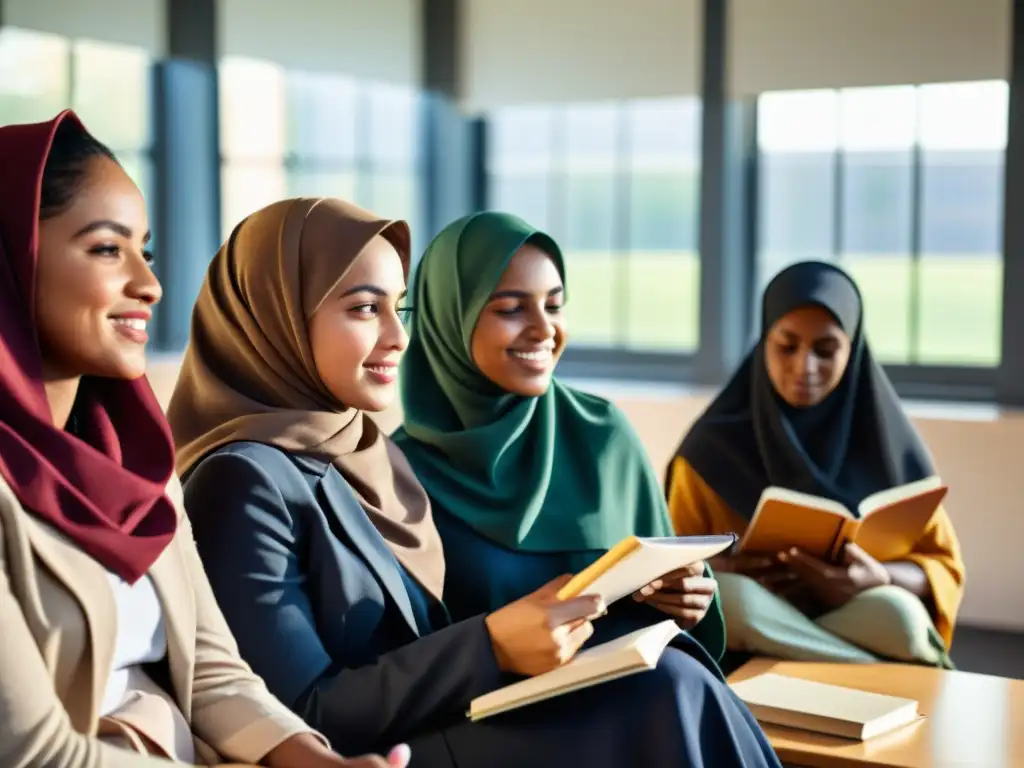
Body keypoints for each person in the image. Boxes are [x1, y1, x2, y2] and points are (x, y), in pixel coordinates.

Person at [170, 199, 782, 768]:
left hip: (453, 712)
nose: (397, 336)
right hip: (389, 751)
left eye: (398, 307)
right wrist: (491, 645)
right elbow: (293, 718)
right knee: (664, 694)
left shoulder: (363, 453)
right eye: (363, 308)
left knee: (673, 679)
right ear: (275, 316)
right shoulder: (241, 481)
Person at [0, 111, 404, 767]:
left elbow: (215, 669)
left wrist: (320, 762)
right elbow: (34, 753)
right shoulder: (240, 474)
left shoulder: (135, 463)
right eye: (108, 249)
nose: (150, 284)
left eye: (147, 251)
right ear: (14, 257)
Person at [390, 210, 780, 765]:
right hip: (490, 723)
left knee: (675, 683)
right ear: (446, 318)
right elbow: (403, 665)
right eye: (509, 309)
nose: (544, 329)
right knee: (671, 692)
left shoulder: (603, 435)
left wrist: (688, 600)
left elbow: (662, 587)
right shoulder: (396, 475)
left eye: (554, 304)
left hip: (627, 693)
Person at [665, 260, 965, 669]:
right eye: (787, 345)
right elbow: (671, 568)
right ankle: (887, 675)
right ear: (764, 341)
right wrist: (727, 566)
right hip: (757, 621)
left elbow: (942, 567)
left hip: (848, 615)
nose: (805, 367)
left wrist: (880, 577)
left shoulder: (890, 450)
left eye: (826, 350)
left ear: (853, 349)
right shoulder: (708, 452)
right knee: (731, 600)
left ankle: (826, 666)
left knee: (902, 617)